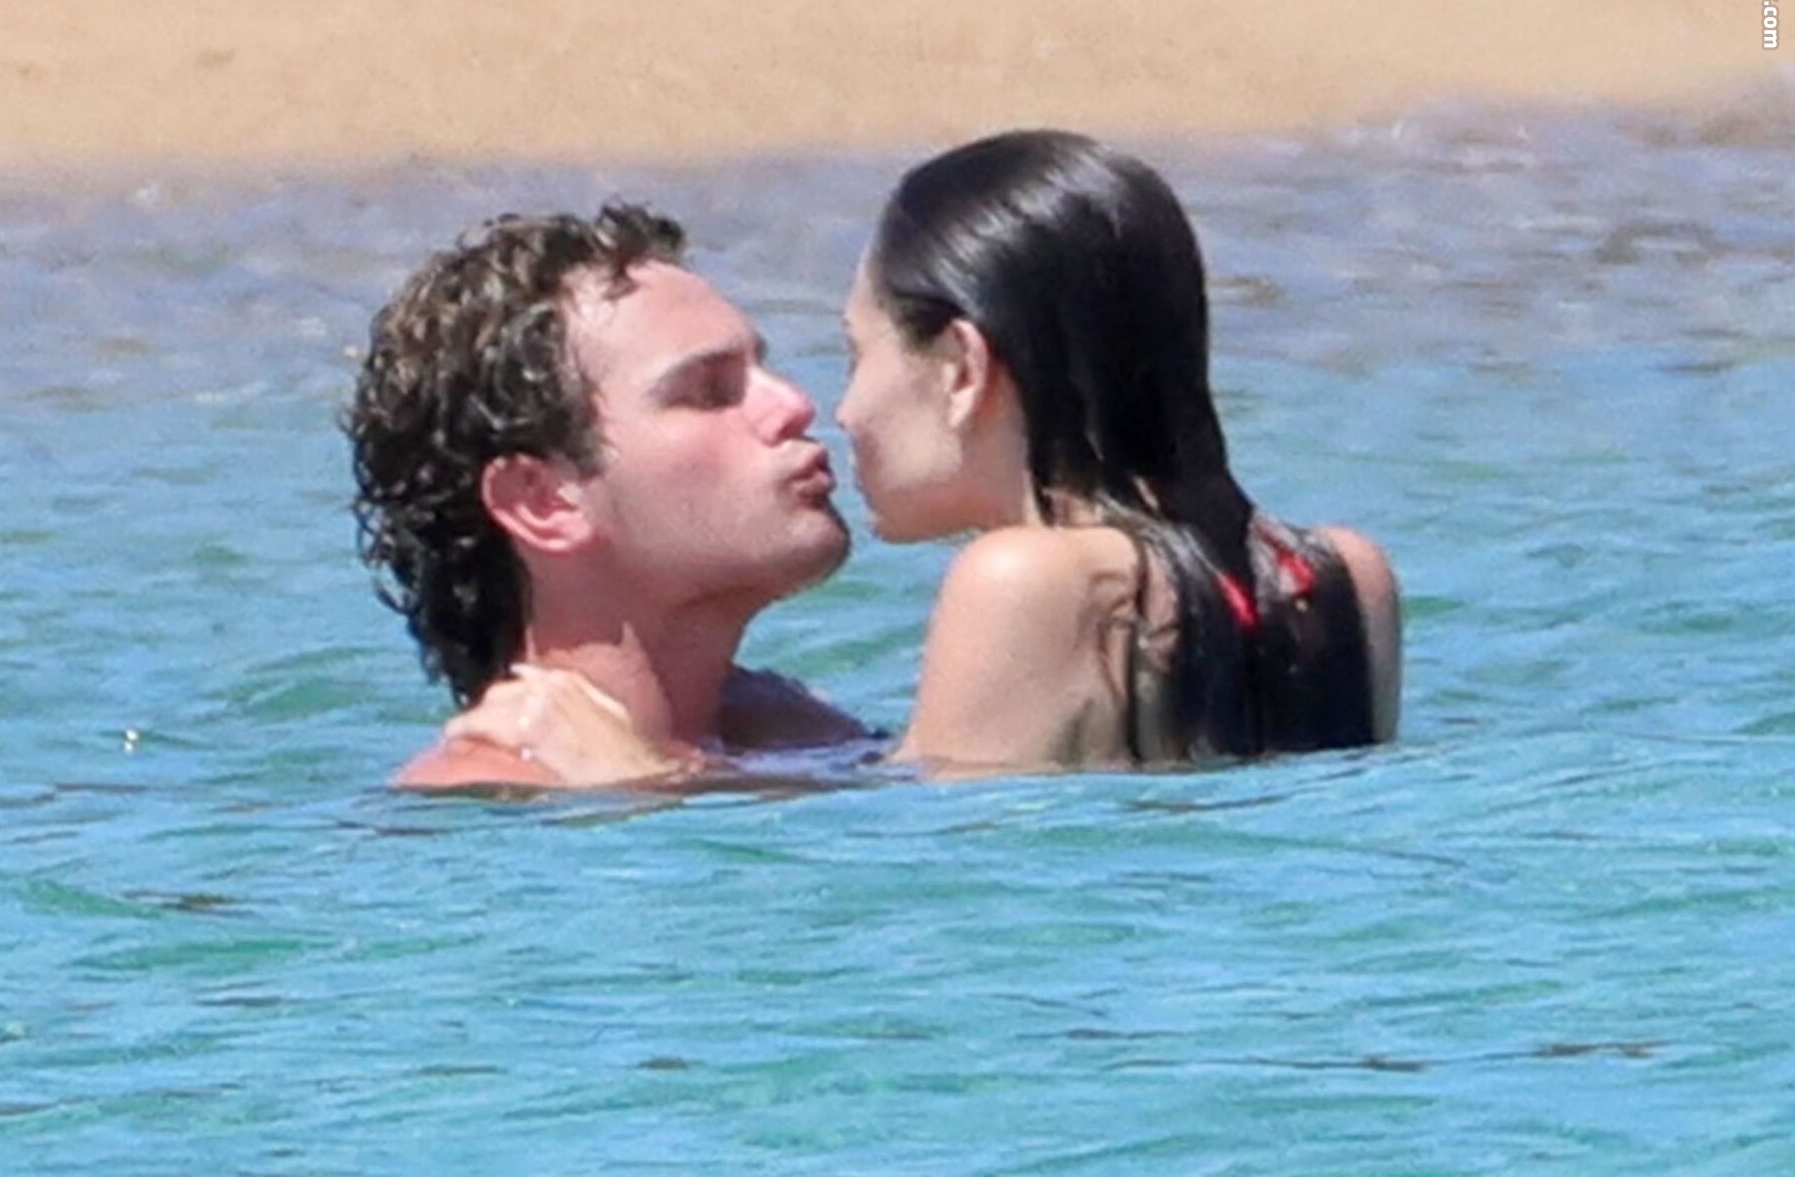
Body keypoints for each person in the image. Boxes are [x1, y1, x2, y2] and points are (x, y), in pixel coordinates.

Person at [447, 131, 1401, 779]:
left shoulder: (1019, 576)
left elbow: (920, 876)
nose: (834, 408)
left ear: (961, 368)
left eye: (859, 355)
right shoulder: (1339, 575)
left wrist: (638, 776)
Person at [345, 204, 862, 791]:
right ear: (544, 501)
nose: (795, 405)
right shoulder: (483, 797)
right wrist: (633, 792)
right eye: (708, 392)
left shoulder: (795, 739)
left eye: (761, 369)